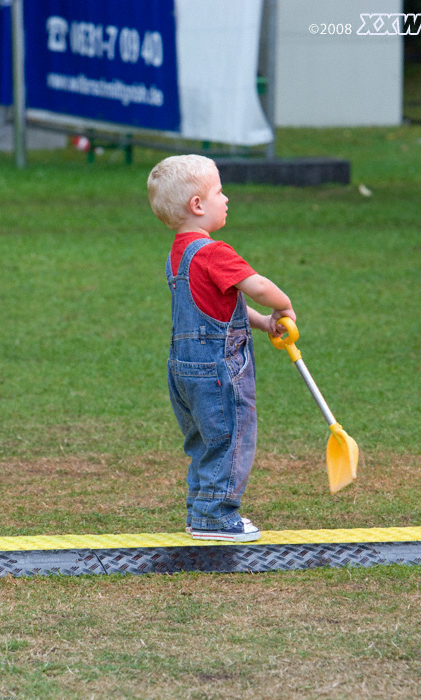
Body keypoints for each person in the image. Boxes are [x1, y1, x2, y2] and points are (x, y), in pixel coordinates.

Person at [147, 154, 295, 542]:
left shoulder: (177, 255)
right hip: (217, 368)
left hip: (183, 370)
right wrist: (282, 305)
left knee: (203, 439)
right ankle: (217, 517)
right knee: (230, 436)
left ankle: (200, 512)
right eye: (219, 191)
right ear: (197, 205)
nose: (226, 198)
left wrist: (263, 323)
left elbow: (220, 305)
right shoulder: (214, 252)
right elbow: (256, 287)